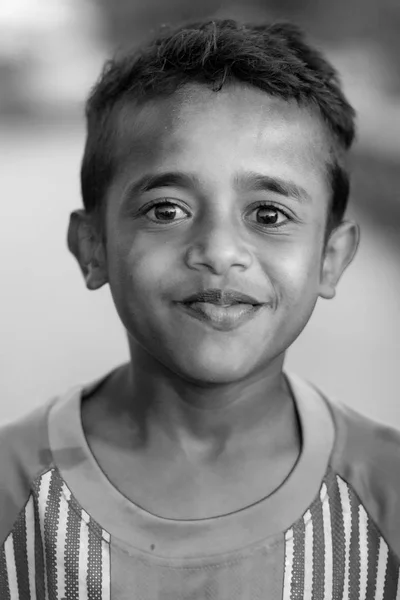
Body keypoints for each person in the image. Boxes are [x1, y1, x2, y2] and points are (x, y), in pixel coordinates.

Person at [1, 18, 399, 600]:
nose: (218, 252)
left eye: (268, 215)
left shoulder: (386, 490)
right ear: (93, 248)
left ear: (331, 258)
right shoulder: (13, 491)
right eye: (166, 210)